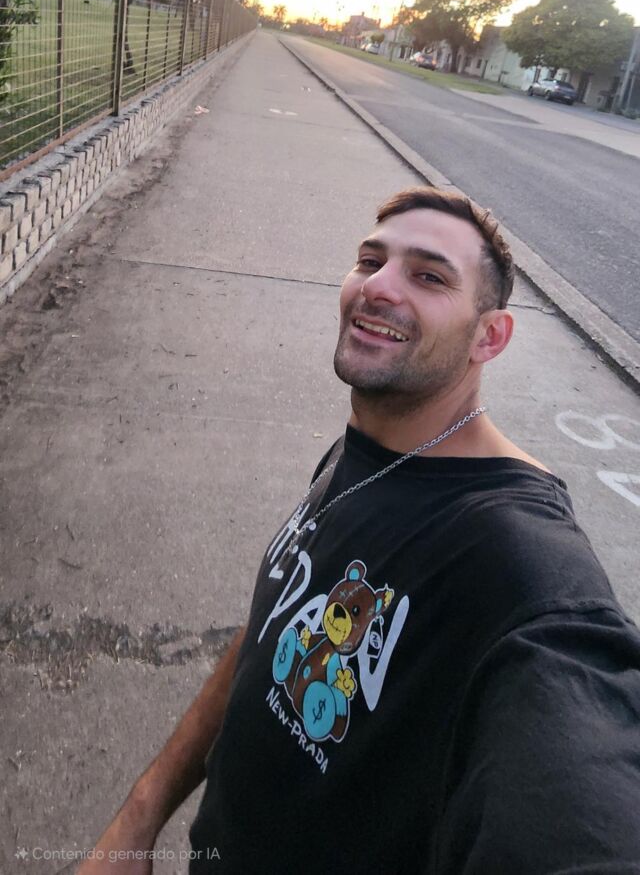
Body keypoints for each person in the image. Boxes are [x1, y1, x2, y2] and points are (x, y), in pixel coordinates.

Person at [78, 188, 640, 874]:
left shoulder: (520, 563)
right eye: (371, 261)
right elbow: (277, 629)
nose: (377, 286)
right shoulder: (366, 447)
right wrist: (141, 812)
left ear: (489, 336)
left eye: (428, 276)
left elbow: (581, 780)